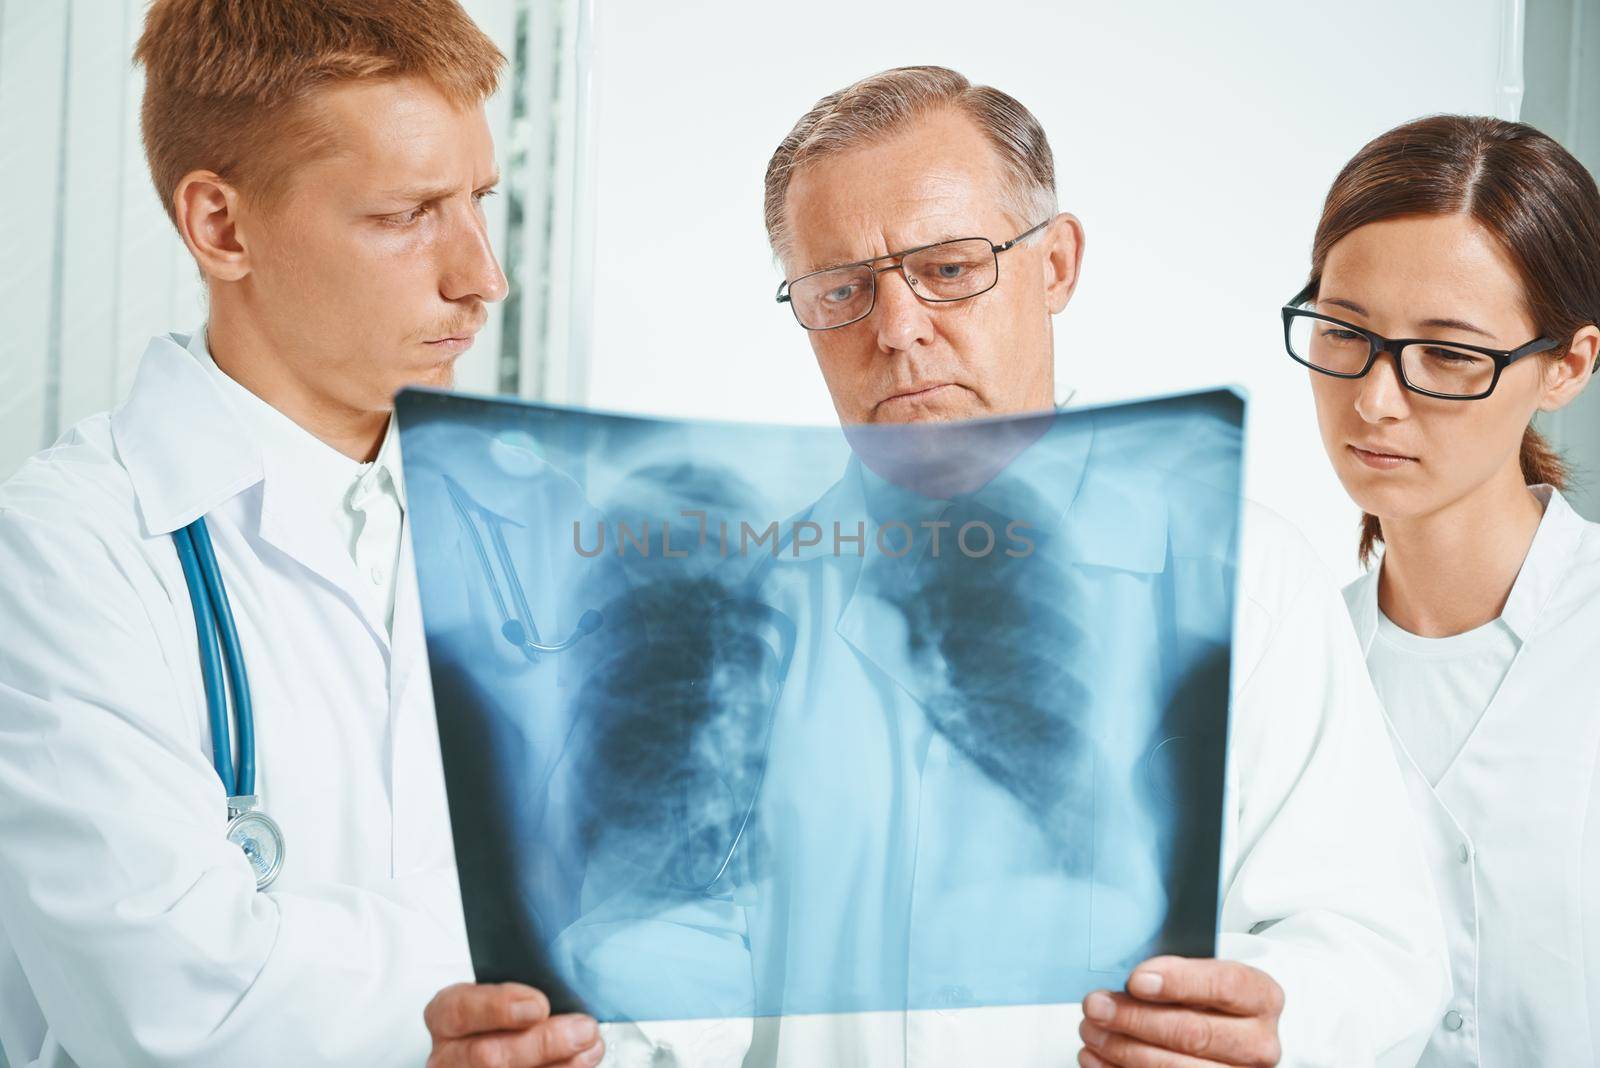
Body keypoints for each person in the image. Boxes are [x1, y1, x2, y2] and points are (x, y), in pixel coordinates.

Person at [516, 66, 1447, 1068]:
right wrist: (582, 1041)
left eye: (949, 269)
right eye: (841, 290)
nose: (896, 328)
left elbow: (1371, 947)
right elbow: (690, 964)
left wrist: (1269, 1018)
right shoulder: (748, 591)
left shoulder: (1238, 572)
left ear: (1054, 266)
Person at [0, 3, 601, 1066]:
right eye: (408, 213)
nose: (480, 277)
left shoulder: (541, 527)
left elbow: (681, 930)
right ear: (221, 226)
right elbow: (172, 1008)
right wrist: (525, 987)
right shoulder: (65, 550)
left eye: (479, 202)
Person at [1286, 114, 1600, 1065]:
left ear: (1567, 367)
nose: (1376, 400)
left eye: (1450, 354)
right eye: (1345, 333)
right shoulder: (1288, 666)